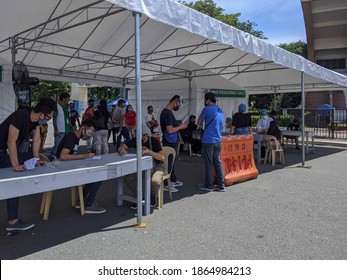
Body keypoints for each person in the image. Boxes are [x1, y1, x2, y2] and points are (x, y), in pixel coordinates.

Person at [0, 96, 57, 231]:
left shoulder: (35, 122)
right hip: (2, 150)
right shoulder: (20, 116)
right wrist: (15, 165)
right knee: (14, 181)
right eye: (48, 118)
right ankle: (13, 221)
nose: (47, 121)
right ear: (41, 113)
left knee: (14, 183)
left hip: (2, 152)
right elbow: (11, 141)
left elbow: (37, 139)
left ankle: (13, 221)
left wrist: (36, 159)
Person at [56, 119, 106, 214]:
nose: (89, 135)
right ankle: (89, 204)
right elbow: (63, 156)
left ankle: (82, 200)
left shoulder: (75, 138)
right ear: (83, 128)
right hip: (62, 169)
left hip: (65, 167)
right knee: (98, 175)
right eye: (89, 132)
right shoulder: (72, 138)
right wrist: (84, 156)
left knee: (94, 173)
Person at [118, 133, 164, 208]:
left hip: (156, 165)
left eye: (142, 136)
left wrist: (149, 152)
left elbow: (161, 157)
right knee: (128, 178)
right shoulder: (135, 140)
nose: (140, 138)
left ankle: (152, 195)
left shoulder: (153, 141)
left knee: (155, 180)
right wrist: (121, 150)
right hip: (142, 166)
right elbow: (121, 147)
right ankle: (139, 196)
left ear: (146, 135)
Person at [196, 92, 225, 192]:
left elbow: (199, 122)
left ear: (208, 100)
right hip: (218, 140)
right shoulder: (220, 110)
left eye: (205, 100)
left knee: (209, 163)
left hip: (208, 140)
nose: (204, 101)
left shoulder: (206, 109)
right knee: (217, 162)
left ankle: (209, 185)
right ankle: (221, 185)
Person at [160, 95, 187, 192]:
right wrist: (181, 127)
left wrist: (179, 126)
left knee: (172, 161)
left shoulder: (168, 112)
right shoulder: (167, 113)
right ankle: (167, 184)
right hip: (169, 141)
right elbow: (170, 130)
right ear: (175, 102)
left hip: (171, 140)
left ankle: (173, 179)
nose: (178, 106)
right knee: (169, 162)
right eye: (178, 104)